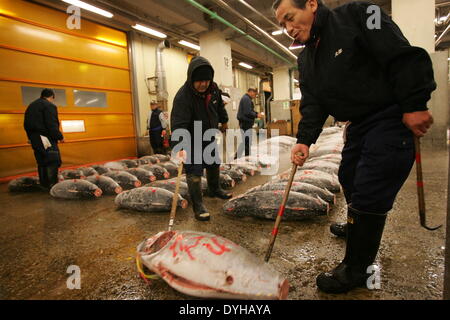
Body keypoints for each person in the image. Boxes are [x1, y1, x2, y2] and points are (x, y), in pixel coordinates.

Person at [274, 0, 436, 294]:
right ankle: (356, 227)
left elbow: (399, 54)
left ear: (311, 4)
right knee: (349, 176)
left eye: (290, 18)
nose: (288, 29)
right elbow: (313, 103)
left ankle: (357, 268)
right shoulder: (306, 59)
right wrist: (304, 139)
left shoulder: (363, 15)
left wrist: (415, 103)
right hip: (358, 124)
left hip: (390, 115)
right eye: (283, 24)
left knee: (370, 188)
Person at [171, 56, 232, 221]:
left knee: (213, 163)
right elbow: (178, 123)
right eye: (199, 81)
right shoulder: (183, 96)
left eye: (206, 80)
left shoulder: (213, 89)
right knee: (195, 172)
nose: (203, 84)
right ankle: (198, 205)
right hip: (191, 139)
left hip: (208, 135)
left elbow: (219, 106)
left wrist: (224, 120)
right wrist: (179, 146)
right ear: (191, 79)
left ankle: (214, 189)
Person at [24, 89, 64, 189]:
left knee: (41, 161)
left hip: (35, 138)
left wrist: (30, 137)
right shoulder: (49, 105)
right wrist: (60, 136)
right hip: (46, 138)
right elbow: (52, 123)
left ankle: (44, 185)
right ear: (51, 97)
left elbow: (26, 124)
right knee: (52, 160)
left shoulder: (31, 106)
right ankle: (53, 186)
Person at [235, 88, 262, 159]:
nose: (255, 96)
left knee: (246, 142)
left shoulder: (246, 99)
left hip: (245, 123)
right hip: (245, 124)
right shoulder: (246, 99)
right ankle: (246, 158)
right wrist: (256, 115)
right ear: (251, 92)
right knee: (246, 142)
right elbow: (247, 112)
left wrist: (256, 113)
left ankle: (242, 157)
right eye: (255, 94)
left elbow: (249, 110)